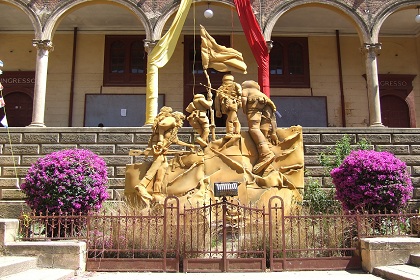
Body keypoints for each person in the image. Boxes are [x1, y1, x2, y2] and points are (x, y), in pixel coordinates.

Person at [134, 106, 195, 207]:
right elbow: (161, 125)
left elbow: (176, 141)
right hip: (158, 148)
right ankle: (142, 185)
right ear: (178, 119)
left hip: (162, 150)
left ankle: (156, 192)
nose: (182, 123)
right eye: (181, 120)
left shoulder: (173, 130)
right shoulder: (171, 121)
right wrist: (160, 141)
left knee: (164, 166)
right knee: (158, 162)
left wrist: (189, 145)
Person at [241, 80, 279, 174]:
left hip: (254, 104)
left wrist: (244, 109)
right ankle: (267, 167)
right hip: (265, 104)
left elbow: (244, 99)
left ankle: (265, 153)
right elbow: (272, 117)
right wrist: (274, 132)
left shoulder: (246, 90)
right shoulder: (261, 94)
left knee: (254, 128)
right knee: (263, 130)